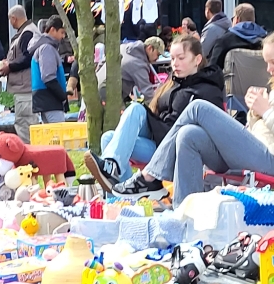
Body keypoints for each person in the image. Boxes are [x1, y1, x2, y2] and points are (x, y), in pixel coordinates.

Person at [113, 30, 274, 205]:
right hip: (259, 153)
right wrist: (255, 114)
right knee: (188, 134)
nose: (269, 70)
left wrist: (267, 111)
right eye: (267, 63)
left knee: (199, 108)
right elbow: (266, 129)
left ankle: (150, 177)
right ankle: (185, 212)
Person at [84, 34, 225, 193]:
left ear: (197, 59)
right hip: (158, 139)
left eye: (181, 58)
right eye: (172, 58)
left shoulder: (209, 90)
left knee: (134, 111)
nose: (175, 63)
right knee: (108, 137)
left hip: (176, 149)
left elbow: (214, 129)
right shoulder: (174, 84)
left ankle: (116, 176)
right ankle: (121, 192)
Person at [0, 5, 40, 140]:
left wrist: (9, 66)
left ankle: (29, 158)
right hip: (27, 88)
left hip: (25, 89)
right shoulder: (30, 31)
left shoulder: (27, 33)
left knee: (24, 125)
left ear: (13, 18)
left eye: (10, 20)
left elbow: (28, 58)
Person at [29, 16, 69, 124]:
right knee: (58, 137)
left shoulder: (44, 47)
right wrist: (62, 96)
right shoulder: (47, 48)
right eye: (62, 32)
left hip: (45, 100)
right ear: (52, 30)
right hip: (50, 101)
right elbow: (48, 77)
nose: (63, 36)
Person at [206, 3, 267, 69]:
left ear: (237, 19)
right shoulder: (267, 40)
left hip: (232, 79)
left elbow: (213, 70)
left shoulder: (224, 41)